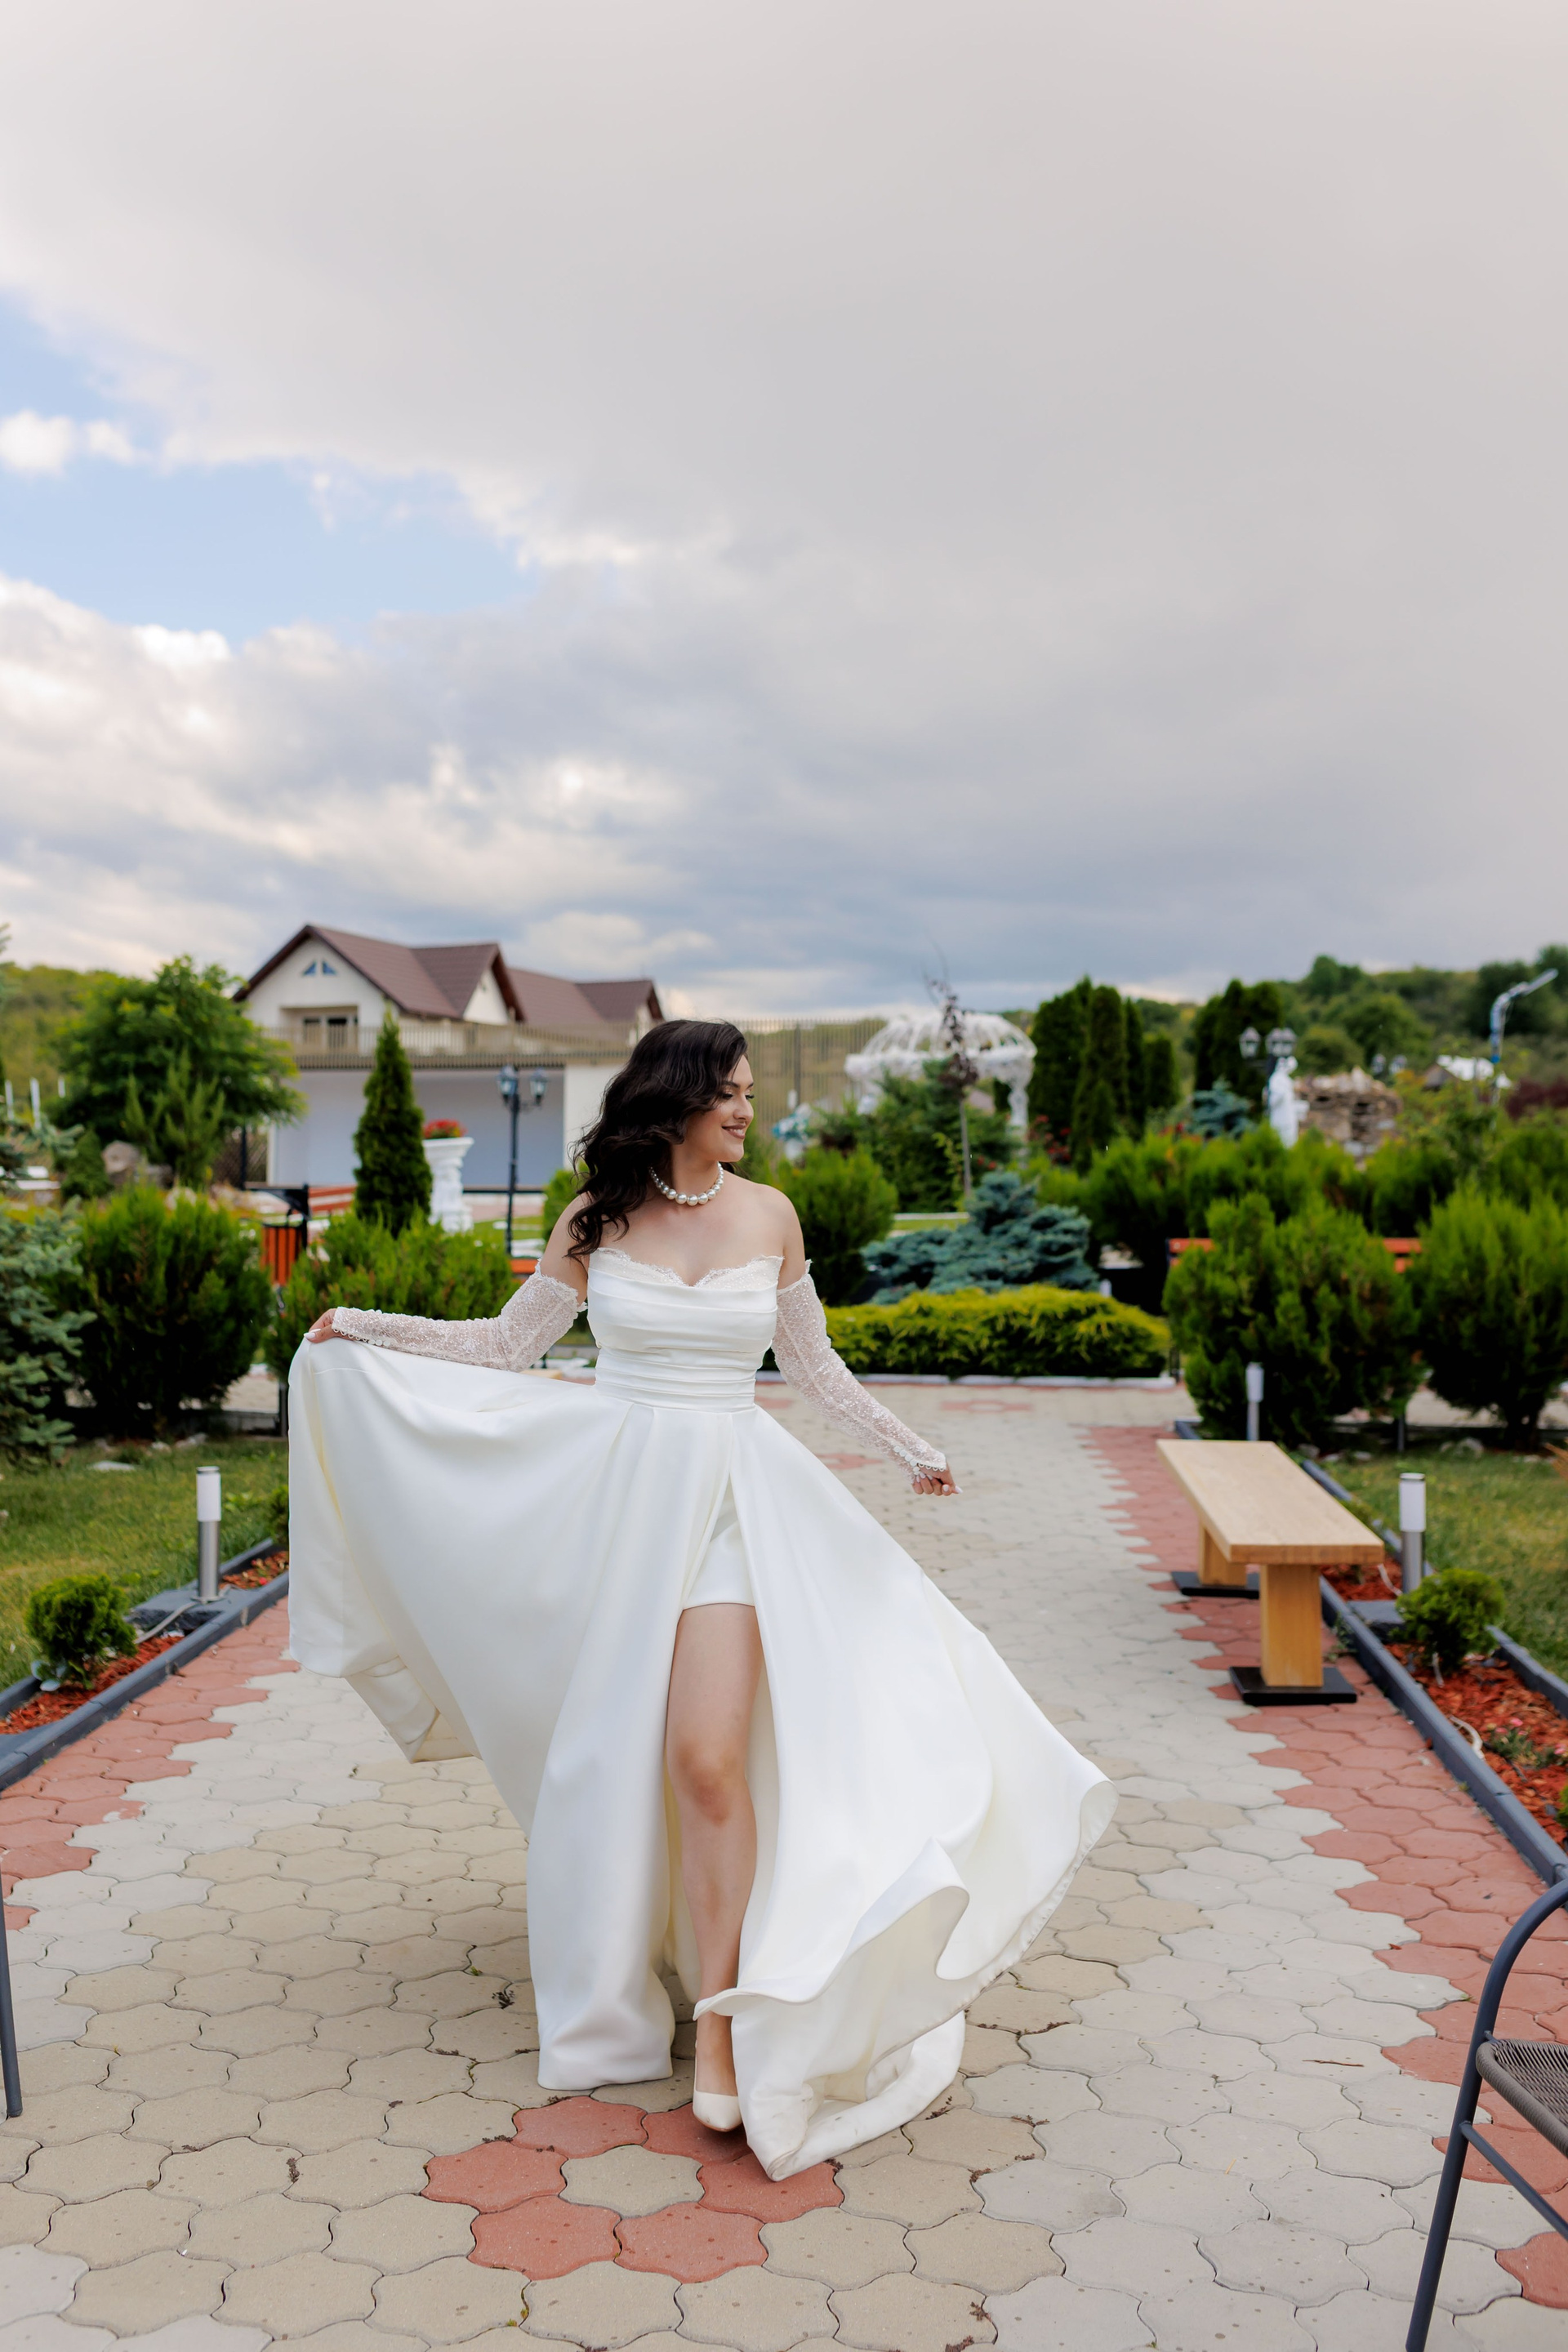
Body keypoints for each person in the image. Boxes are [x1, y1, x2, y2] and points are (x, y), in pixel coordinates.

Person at [290, 1019, 1111, 2178]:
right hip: (615, 1510)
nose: (745, 1109)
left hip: (735, 1505)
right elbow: (508, 1347)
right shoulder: (595, 1218)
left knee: (707, 1761)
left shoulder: (770, 1214)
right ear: (675, 1097)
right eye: (729, 1091)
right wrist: (364, 1328)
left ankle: (723, 2021)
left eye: (748, 1092)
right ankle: (621, 1981)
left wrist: (906, 1446)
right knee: (608, 1761)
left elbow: (811, 1366)